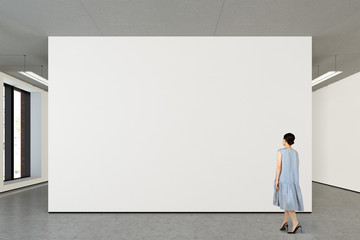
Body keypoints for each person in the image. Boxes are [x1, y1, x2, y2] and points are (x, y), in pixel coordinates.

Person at [273, 133, 304, 234]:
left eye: (283, 139)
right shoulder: (295, 153)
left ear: (285, 140)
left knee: (288, 203)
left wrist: (277, 180)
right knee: (287, 202)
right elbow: (297, 166)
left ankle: (295, 223)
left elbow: (279, 166)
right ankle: (284, 222)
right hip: (293, 180)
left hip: (284, 180)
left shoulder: (281, 151)